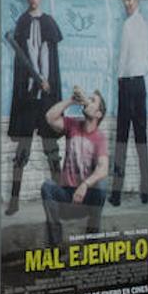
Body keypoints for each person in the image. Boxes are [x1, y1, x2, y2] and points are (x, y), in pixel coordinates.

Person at [5, 0, 64, 215]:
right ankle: (14, 200)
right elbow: (25, 57)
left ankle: (62, 200)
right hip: (29, 96)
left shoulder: (49, 22)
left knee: (52, 151)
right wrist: (36, 79)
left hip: (46, 96)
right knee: (22, 152)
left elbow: (48, 54)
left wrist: (46, 80)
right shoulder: (22, 23)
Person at [41, 86, 110, 246]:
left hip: (86, 200)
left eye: (92, 100)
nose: (88, 101)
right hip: (66, 196)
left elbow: (103, 168)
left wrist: (85, 185)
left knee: (101, 186)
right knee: (47, 186)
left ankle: (91, 244)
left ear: (98, 114)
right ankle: (55, 246)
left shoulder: (99, 138)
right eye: (89, 98)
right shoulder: (73, 125)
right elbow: (50, 117)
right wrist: (72, 100)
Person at [111, 0, 148, 206]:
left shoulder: (129, 25)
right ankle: (145, 191)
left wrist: (119, 80)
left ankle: (116, 194)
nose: (126, 3)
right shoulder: (143, 23)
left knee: (122, 139)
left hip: (128, 84)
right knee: (141, 140)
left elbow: (124, 59)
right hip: (140, 85)